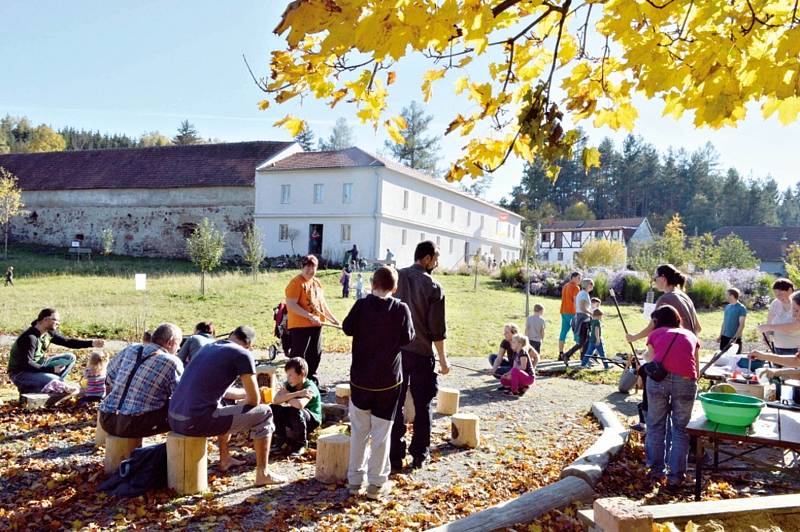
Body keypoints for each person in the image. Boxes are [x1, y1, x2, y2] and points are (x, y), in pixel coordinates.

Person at [169, 326, 286, 485]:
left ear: (231, 335)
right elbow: (254, 401)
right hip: (194, 421)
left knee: (225, 405)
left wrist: (245, 396)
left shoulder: (209, 347)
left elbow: (220, 390)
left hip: (174, 418)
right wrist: (252, 397)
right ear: (249, 345)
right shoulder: (242, 354)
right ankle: (263, 473)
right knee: (265, 413)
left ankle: (225, 459)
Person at [342, 266, 415, 500]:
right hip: (388, 383)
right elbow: (408, 338)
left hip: (361, 381)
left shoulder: (362, 306)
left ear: (373, 284)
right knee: (382, 434)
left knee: (359, 431)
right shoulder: (401, 309)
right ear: (395, 288)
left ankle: (355, 480)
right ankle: (376, 484)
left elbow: (346, 328)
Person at [390, 241, 450, 472]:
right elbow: (438, 330)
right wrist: (443, 361)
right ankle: (419, 454)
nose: (437, 263)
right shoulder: (433, 286)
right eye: (435, 258)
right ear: (426, 258)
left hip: (397, 353)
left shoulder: (397, 277)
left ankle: (395, 456)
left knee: (396, 403)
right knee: (423, 405)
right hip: (422, 353)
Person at [626, 264, 701, 431]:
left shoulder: (666, 299)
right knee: (680, 421)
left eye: (655, 278)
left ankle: (646, 423)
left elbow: (654, 326)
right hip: (689, 354)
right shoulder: (685, 297)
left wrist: (633, 337)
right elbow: (698, 328)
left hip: (669, 358)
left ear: (663, 278)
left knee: (648, 373)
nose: (654, 281)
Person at [643, 305, 700, 488]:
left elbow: (651, 360)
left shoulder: (656, 333)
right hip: (686, 380)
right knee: (681, 429)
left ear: (657, 321)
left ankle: (656, 470)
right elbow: (696, 366)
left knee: (655, 425)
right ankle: (676, 476)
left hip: (659, 380)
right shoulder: (691, 335)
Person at [99, 323, 183, 438]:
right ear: (170, 342)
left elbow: (109, 375)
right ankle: (165, 454)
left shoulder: (131, 349)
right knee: (181, 415)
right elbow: (180, 396)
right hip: (134, 424)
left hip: (106, 419)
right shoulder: (171, 362)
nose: (179, 349)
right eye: (178, 344)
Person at [7, 308, 104, 394]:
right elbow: (27, 364)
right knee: (55, 379)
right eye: (55, 320)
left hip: (38, 367)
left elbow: (67, 342)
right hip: (20, 373)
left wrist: (91, 343)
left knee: (70, 358)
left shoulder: (48, 333)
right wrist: (51, 370)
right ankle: (42, 385)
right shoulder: (30, 338)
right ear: (45, 319)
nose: (58, 323)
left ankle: (51, 384)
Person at [284, 255, 340, 385]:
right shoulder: (296, 282)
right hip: (300, 326)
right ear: (302, 267)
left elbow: (322, 304)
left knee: (315, 355)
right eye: (307, 267)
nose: (310, 270)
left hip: (316, 325)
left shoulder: (317, 283)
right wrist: (309, 316)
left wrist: (332, 318)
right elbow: (291, 305)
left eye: (313, 267)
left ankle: (311, 383)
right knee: (299, 357)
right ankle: (295, 384)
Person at [270, 357, 322, 457]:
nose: (288, 378)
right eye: (287, 375)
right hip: (296, 417)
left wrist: (286, 397)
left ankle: (301, 444)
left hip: (311, 418)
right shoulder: (290, 385)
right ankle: (280, 439)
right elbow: (275, 400)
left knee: (296, 410)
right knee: (274, 408)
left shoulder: (310, 387)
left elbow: (300, 405)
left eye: (290, 375)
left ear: (301, 374)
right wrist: (298, 393)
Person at [757, 278, 800, 359]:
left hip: (795, 348)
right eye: (776, 295)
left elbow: (796, 326)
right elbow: (769, 321)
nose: (778, 297)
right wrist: (767, 335)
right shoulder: (775, 303)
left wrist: (770, 327)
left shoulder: (798, 303)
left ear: (790, 290)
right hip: (777, 347)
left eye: (780, 294)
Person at [563, 278, 594, 364]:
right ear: (587, 285)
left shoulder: (583, 293)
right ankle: (567, 355)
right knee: (583, 341)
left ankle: (584, 358)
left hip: (583, 318)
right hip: (583, 319)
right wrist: (592, 314)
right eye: (591, 284)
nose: (592, 286)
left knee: (586, 340)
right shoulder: (584, 294)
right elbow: (583, 308)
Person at [558, 272, 582, 360]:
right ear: (573, 278)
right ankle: (582, 355)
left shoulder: (565, 286)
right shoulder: (576, 288)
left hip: (563, 311)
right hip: (572, 313)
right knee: (578, 334)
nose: (580, 280)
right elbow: (576, 301)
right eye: (578, 278)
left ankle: (561, 353)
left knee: (563, 332)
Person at [717, 288, 747, 354]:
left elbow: (742, 325)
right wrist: (720, 335)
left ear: (732, 296)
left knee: (734, 361)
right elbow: (724, 322)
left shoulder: (741, 308)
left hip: (735, 339)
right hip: (724, 337)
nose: (725, 296)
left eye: (727, 295)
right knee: (723, 358)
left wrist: (735, 338)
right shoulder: (727, 307)